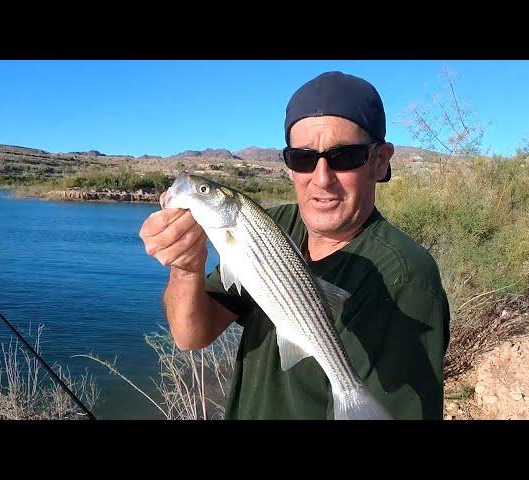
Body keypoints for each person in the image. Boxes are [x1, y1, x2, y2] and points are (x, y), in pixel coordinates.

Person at [139, 71, 450, 420]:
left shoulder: (407, 278)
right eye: (303, 158)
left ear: (379, 161)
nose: (321, 178)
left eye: (345, 156)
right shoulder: (278, 226)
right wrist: (185, 267)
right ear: (288, 166)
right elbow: (191, 336)